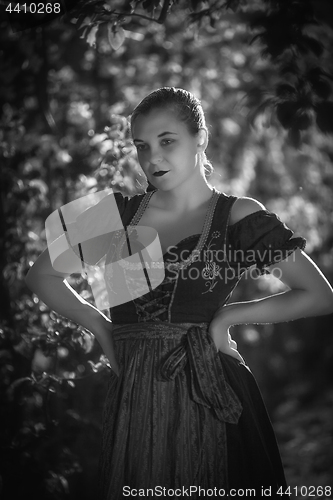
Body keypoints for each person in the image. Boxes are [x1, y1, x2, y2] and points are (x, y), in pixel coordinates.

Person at [25, 87, 333, 499]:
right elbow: (41, 275)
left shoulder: (236, 216)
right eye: (141, 146)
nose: (153, 158)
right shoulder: (116, 215)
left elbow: (318, 294)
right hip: (135, 392)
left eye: (167, 141)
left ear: (200, 137)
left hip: (207, 387)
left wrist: (229, 317)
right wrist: (102, 329)